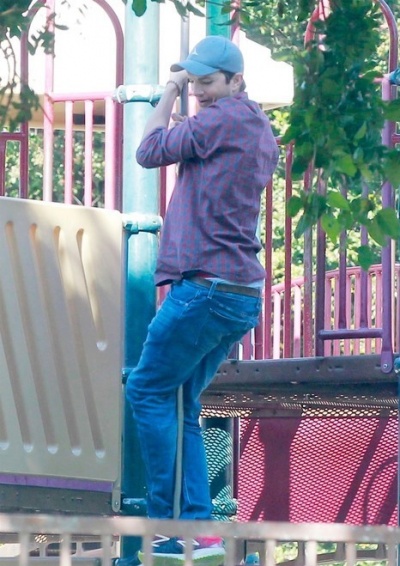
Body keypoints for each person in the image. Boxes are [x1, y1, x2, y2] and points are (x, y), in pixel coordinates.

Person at [126, 35, 279, 565]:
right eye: (193, 83)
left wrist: (168, 89)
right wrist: (185, 101)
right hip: (240, 294)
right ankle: (201, 532)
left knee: (147, 389)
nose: (199, 91)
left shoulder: (219, 119)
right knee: (183, 404)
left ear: (237, 81)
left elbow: (148, 151)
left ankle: (170, 528)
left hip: (206, 289)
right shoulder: (258, 127)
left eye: (207, 82)